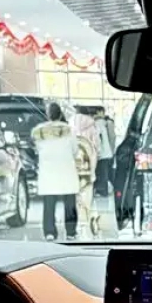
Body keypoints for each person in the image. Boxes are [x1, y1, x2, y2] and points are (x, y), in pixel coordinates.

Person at [31, 102, 79, 240]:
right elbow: (75, 150)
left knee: (49, 203)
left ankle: (50, 232)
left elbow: (37, 149)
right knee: (70, 203)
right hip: (66, 170)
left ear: (48, 114)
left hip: (48, 171)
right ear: (60, 114)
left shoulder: (39, 131)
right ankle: (70, 232)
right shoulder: (69, 130)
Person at [71, 111, 100, 238]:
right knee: (87, 194)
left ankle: (79, 222)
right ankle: (88, 219)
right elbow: (97, 147)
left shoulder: (70, 125)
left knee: (75, 196)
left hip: (73, 168)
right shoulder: (92, 126)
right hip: (88, 167)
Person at [94, 110, 115, 197]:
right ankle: (105, 190)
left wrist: (98, 151)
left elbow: (98, 139)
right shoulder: (105, 123)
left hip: (102, 153)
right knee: (105, 173)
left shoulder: (97, 124)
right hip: (107, 152)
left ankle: (102, 191)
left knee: (102, 173)